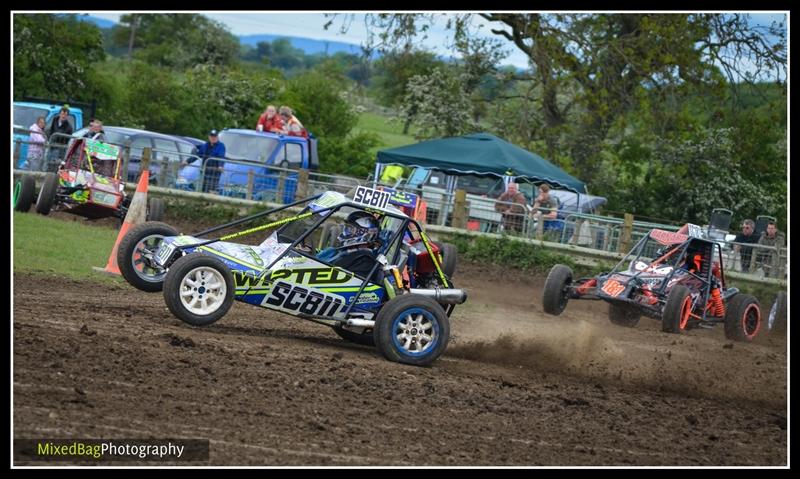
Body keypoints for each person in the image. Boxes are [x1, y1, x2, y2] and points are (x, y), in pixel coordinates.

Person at [318, 211, 382, 279]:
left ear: (364, 233)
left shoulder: (365, 260)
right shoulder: (345, 251)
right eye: (346, 228)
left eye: (350, 229)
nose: (346, 232)